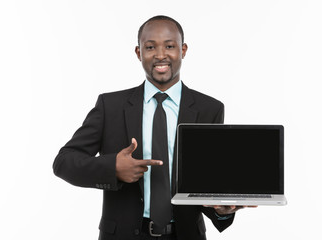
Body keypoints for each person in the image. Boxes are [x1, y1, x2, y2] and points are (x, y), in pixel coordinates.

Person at [53, 15, 248, 240]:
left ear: (183, 50)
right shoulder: (111, 106)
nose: (160, 55)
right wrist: (112, 168)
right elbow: (64, 161)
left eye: (170, 46)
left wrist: (220, 209)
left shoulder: (209, 109)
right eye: (150, 47)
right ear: (139, 53)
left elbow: (208, 182)